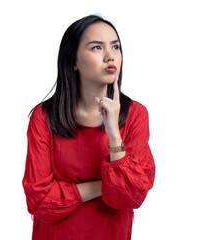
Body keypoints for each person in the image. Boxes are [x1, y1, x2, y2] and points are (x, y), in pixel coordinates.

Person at [22, 14, 156, 240]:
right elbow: (40, 201)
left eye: (115, 47)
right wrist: (105, 187)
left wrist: (114, 133)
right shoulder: (43, 117)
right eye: (96, 47)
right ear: (73, 61)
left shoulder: (135, 114)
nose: (109, 56)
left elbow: (131, 196)